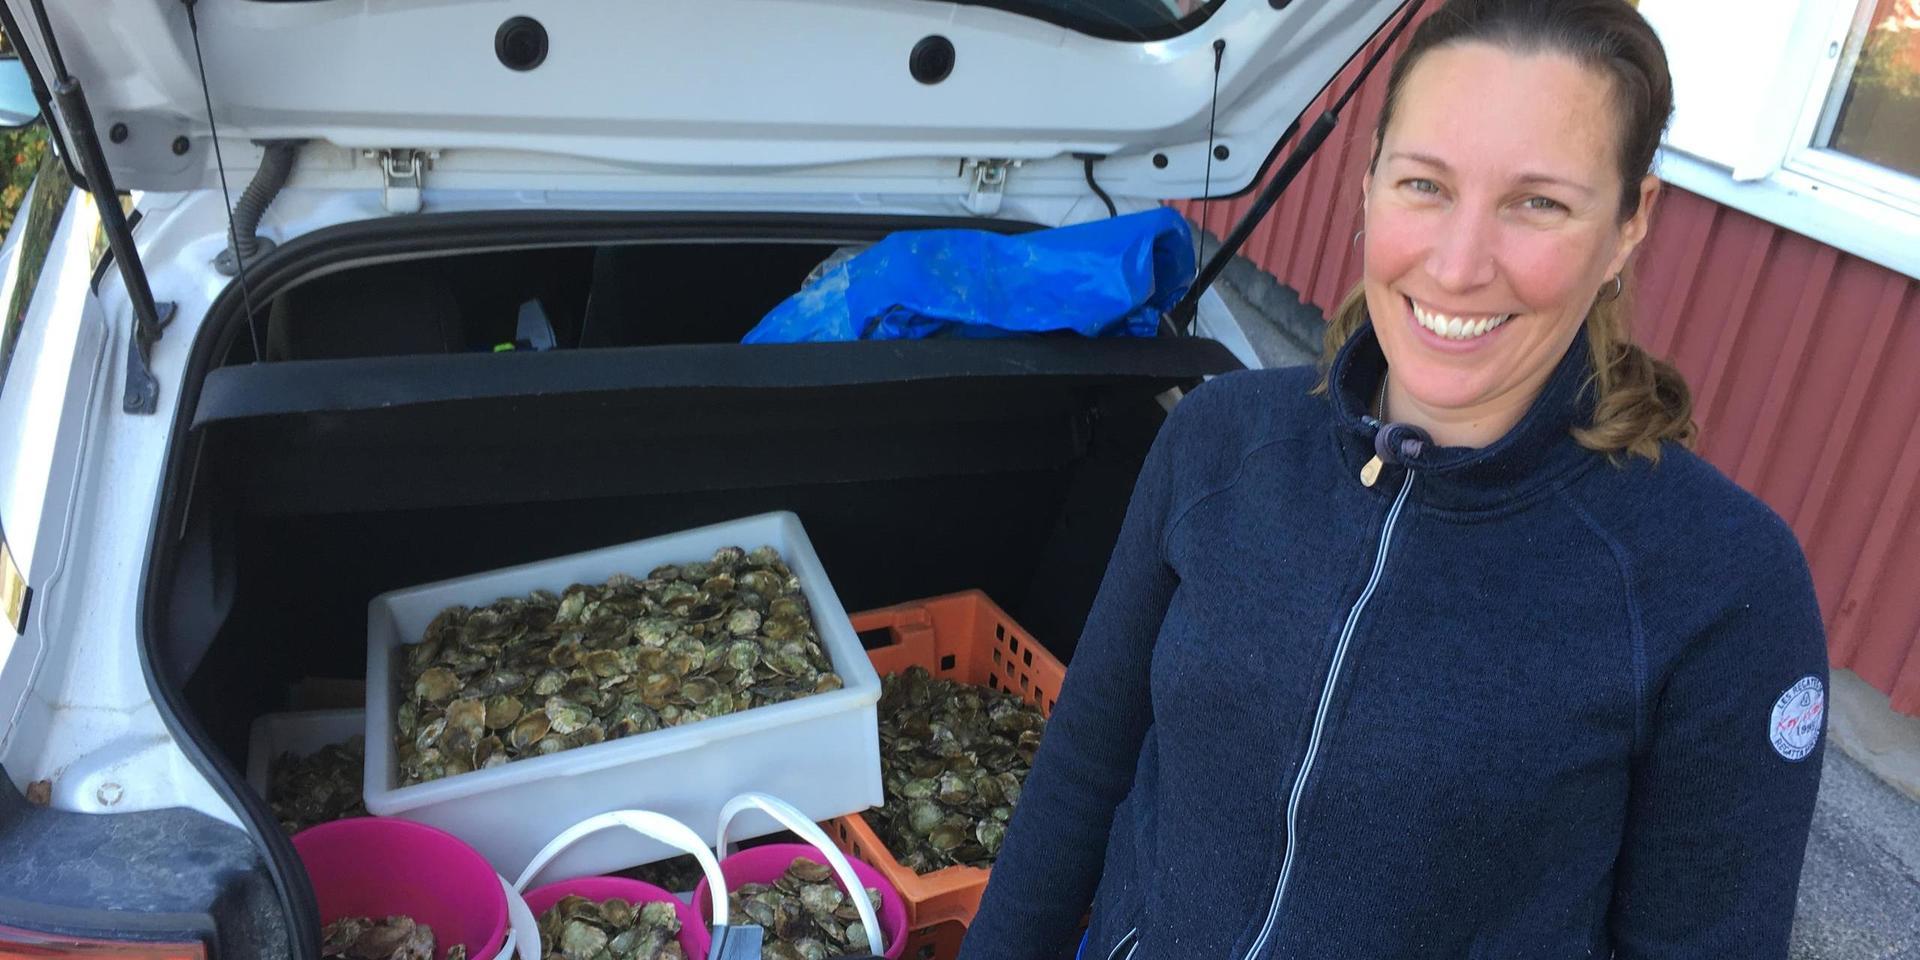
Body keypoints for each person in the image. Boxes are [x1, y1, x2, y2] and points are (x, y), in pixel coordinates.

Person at [957, 1, 1829, 958]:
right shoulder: (1219, 439)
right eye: (1426, 184)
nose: (1458, 266)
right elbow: (1084, 773)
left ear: (1629, 224)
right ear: (1368, 180)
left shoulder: (1719, 586)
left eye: (1538, 202)